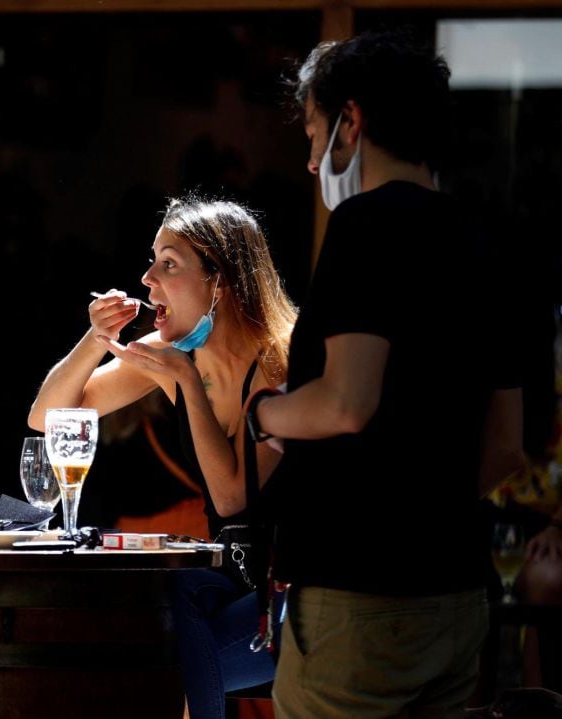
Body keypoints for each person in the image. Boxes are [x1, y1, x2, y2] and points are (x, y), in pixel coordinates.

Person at [245, 31, 525, 718]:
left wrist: (264, 412)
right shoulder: (489, 238)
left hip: (359, 600)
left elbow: (346, 403)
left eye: (314, 134)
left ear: (353, 121)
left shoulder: (365, 226)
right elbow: (507, 445)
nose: (312, 162)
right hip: (460, 595)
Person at [28, 195, 297, 718]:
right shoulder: (177, 355)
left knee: (160, 660)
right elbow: (49, 416)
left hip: (297, 597)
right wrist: (96, 337)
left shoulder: (281, 359)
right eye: (152, 261)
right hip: (235, 584)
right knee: (165, 596)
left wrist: (186, 383)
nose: (148, 279)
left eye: (168, 264)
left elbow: (233, 497)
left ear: (218, 281)